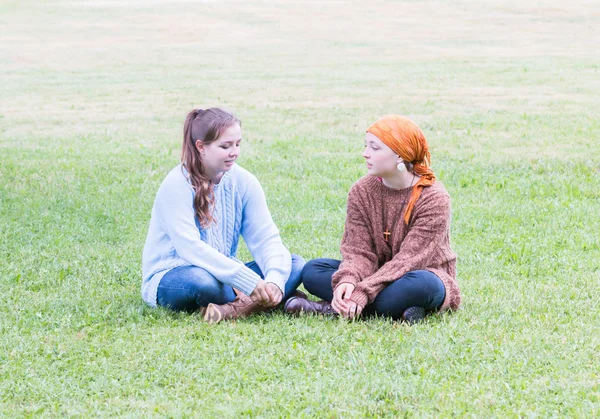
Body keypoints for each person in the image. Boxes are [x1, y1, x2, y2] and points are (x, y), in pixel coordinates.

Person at [285, 115, 460, 323]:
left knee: (422, 285)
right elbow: (358, 250)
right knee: (313, 271)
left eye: (374, 148)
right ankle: (396, 309)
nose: (365, 154)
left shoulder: (433, 198)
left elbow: (409, 261)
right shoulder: (361, 191)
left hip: (419, 274)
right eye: (366, 146)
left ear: (400, 156)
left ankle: (327, 309)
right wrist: (348, 280)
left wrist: (362, 292)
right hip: (374, 273)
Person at [142, 108, 305, 323]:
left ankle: (233, 310)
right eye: (225, 146)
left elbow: (266, 238)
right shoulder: (177, 184)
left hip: (224, 272)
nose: (234, 152)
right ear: (201, 147)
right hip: (175, 273)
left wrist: (274, 280)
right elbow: (190, 248)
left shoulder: (244, 182)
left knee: (294, 264)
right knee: (206, 284)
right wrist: (249, 282)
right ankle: (272, 300)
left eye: (238, 144)